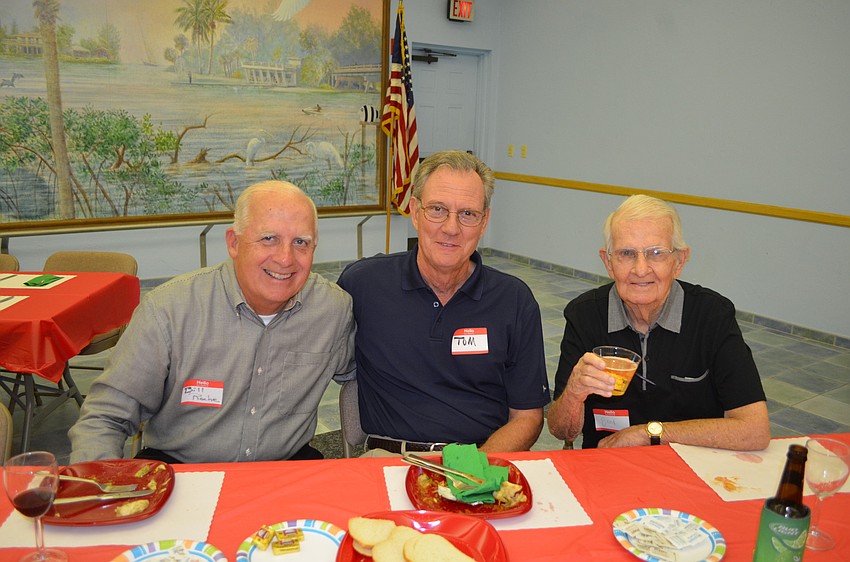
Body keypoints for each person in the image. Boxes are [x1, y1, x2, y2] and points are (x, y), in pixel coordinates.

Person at [69, 181, 355, 463]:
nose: (285, 258)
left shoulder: (332, 310)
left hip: (284, 468)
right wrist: (98, 483)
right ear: (234, 243)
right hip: (181, 468)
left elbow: (364, 374)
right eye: (269, 238)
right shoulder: (169, 310)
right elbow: (105, 417)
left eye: (301, 242)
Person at [337, 151, 550, 455]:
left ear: (484, 222)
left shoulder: (514, 300)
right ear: (415, 212)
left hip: (480, 458)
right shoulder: (364, 284)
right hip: (389, 458)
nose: (451, 228)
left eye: (468, 214)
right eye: (437, 209)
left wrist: (474, 467)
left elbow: (527, 417)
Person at [547, 194, 769, 450]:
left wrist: (649, 434)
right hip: (608, 464)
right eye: (626, 253)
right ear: (608, 263)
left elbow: (754, 430)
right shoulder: (584, 315)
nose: (641, 269)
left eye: (656, 253)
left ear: (679, 261)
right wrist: (574, 392)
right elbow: (562, 431)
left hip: (691, 464)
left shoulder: (712, 316)